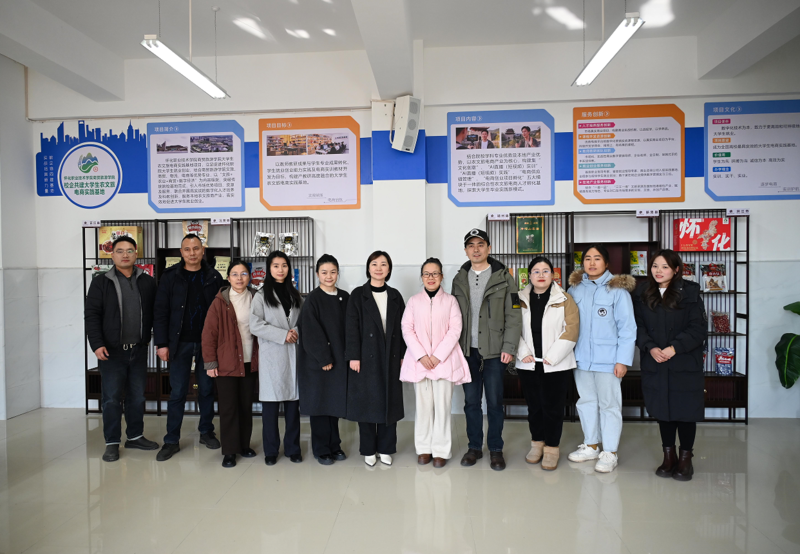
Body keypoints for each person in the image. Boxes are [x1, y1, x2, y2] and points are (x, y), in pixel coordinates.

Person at [451, 229, 522, 471]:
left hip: (495, 352)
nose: (476, 249)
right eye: (471, 245)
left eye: (480, 244)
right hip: (467, 352)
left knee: (494, 403)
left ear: (488, 248)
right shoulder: (459, 279)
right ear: (466, 250)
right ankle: (474, 447)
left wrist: (509, 346)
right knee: (471, 402)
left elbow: (514, 314)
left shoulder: (504, 277)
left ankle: (495, 449)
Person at [633, 249, 707, 481]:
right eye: (655, 266)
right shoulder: (642, 292)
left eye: (665, 266)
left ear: (676, 270)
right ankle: (668, 456)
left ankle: (685, 459)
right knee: (663, 411)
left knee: (685, 411)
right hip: (655, 360)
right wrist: (650, 347)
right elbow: (636, 326)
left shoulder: (690, 292)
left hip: (683, 360)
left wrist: (674, 348)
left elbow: (698, 329)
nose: (659, 271)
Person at [85, 236, 159, 462]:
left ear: (136, 254)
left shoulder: (147, 281)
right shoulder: (101, 282)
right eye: (120, 251)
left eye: (129, 251)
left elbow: (157, 313)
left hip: (138, 349)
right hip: (111, 351)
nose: (125, 255)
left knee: (137, 397)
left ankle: (135, 436)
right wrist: (96, 344)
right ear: (112, 254)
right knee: (111, 398)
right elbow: (92, 315)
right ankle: (112, 442)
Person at [567, 245, 636, 473]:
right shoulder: (575, 289)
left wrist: (622, 361)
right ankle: (591, 445)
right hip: (581, 359)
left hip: (609, 360)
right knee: (586, 402)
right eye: (587, 258)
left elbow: (627, 329)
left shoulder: (617, 291)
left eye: (597, 258)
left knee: (609, 405)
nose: (592, 263)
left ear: (606, 263)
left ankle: (610, 452)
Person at [154, 234, 223, 462]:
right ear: (181, 252)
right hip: (179, 343)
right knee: (177, 392)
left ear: (203, 250)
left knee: (206, 389)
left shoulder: (214, 276)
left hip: (207, 344)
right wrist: (162, 344)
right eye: (187, 249)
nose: (192, 253)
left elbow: (221, 313)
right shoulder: (170, 276)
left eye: (196, 248)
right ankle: (171, 440)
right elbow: (160, 311)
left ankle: (206, 432)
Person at [400, 258, 471, 468]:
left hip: (444, 361)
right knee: (423, 408)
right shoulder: (413, 301)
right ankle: (423, 449)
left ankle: (441, 450)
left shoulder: (450, 301)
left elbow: (455, 330)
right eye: (427, 274)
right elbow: (407, 328)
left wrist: (438, 355)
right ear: (421, 277)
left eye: (435, 273)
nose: (431, 277)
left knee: (442, 408)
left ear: (441, 276)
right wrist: (422, 355)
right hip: (420, 362)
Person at [516, 256, 579, 471]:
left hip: (556, 364)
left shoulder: (565, 298)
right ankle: (537, 443)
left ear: (553, 275)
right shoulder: (518, 298)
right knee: (534, 407)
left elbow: (571, 329)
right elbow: (511, 327)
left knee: (553, 408)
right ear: (529, 275)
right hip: (528, 363)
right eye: (536, 271)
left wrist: (552, 356)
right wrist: (523, 351)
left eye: (545, 271)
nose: (541, 275)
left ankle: (552, 448)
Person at [346, 251, 406, 467]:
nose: (379, 268)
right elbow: (351, 328)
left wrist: (403, 355)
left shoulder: (395, 295)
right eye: (374, 264)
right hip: (365, 357)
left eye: (383, 264)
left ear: (389, 269)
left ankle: (386, 448)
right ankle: (369, 449)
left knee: (389, 402)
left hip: (391, 355)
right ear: (368, 268)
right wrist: (353, 356)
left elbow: (404, 328)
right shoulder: (358, 295)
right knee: (367, 404)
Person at [202, 261, 259, 468]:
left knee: (245, 406)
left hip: (250, 361)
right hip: (227, 362)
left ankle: (244, 445)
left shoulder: (256, 298)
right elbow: (209, 334)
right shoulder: (220, 302)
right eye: (234, 274)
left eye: (243, 274)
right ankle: (229, 451)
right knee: (228, 408)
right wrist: (210, 363)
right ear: (228, 278)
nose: (239, 278)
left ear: (249, 277)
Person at [250, 251, 304, 465]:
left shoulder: (296, 295)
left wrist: (296, 331)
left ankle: (293, 448)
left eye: (284, 265)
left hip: (293, 355)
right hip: (272, 356)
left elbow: (303, 320)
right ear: (269, 269)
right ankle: (271, 451)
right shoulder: (261, 296)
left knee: (292, 407)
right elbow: (255, 324)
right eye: (276, 266)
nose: (280, 270)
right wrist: (283, 335)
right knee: (270, 409)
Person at [297, 254, 349, 465]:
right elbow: (310, 332)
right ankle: (321, 449)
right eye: (324, 272)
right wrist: (323, 358)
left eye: (333, 272)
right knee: (319, 405)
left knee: (334, 404)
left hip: (339, 361)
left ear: (338, 273)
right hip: (318, 364)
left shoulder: (345, 297)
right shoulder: (313, 299)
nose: (329, 276)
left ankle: (335, 445)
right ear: (317, 274)